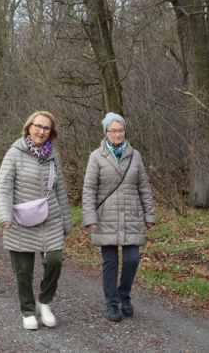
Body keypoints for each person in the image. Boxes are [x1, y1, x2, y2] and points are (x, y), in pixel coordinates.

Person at [0, 111, 72, 330]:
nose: (41, 131)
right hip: (20, 218)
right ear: (29, 127)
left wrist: (67, 222)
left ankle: (44, 302)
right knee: (23, 269)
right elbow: (3, 188)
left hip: (51, 217)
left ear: (51, 132)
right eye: (37, 126)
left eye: (46, 128)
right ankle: (28, 310)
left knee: (55, 260)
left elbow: (60, 189)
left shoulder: (53, 155)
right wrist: (5, 217)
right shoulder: (15, 153)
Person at [82, 112, 156, 322]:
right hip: (106, 217)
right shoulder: (96, 156)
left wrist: (149, 214)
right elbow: (89, 189)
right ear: (106, 132)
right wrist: (90, 217)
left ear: (125, 131)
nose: (117, 134)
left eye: (120, 130)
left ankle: (124, 296)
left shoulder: (136, 155)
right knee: (110, 263)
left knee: (132, 259)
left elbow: (144, 187)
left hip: (132, 216)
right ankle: (112, 304)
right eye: (112, 130)